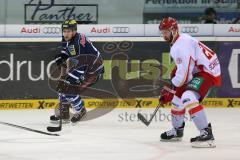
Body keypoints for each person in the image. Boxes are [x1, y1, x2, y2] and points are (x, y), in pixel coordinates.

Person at [158, 17, 221, 148]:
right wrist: (173, 88)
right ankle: (177, 131)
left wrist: (171, 88)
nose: (163, 35)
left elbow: (184, 77)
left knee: (188, 97)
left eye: (166, 32)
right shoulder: (181, 40)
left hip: (207, 70)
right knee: (177, 100)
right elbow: (185, 67)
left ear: (174, 30)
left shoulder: (180, 46)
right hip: (199, 68)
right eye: (162, 32)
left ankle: (206, 134)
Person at [50, 19, 104, 124]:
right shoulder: (67, 38)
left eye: (68, 31)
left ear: (74, 31)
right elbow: (65, 57)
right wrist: (62, 77)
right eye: (64, 31)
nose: (66, 33)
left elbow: (80, 65)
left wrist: (65, 80)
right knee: (63, 86)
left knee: (69, 88)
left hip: (92, 71)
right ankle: (64, 114)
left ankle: (81, 110)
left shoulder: (76, 44)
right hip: (86, 65)